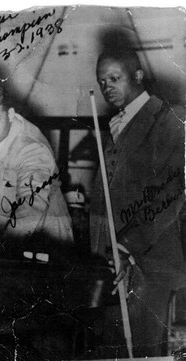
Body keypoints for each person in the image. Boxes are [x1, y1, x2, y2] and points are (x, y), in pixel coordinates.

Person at [90, 48, 185, 357]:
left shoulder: (168, 118)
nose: (107, 88)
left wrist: (127, 247)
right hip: (114, 261)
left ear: (138, 76)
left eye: (114, 78)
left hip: (149, 262)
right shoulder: (117, 124)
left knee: (139, 353)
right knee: (112, 349)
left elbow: (171, 195)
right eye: (102, 81)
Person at [0, 79, 73, 248]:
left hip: (45, 245)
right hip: (7, 242)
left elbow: (30, 209)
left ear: (10, 114)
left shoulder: (31, 149)